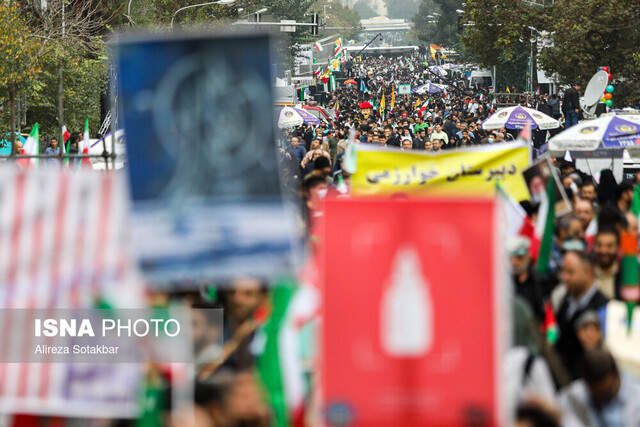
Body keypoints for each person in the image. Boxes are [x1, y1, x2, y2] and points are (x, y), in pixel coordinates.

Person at [555, 250, 609, 379]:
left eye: (571, 272)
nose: (565, 277)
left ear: (588, 272)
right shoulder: (565, 298)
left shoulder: (603, 308)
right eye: (563, 271)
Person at [559, 349, 640, 426]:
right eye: (596, 394)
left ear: (618, 374)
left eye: (607, 392)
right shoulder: (576, 393)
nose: (602, 398)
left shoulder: (636, 395)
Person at [508, 236, 549, 322]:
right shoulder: (503, 283)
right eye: (511, 258)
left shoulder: (540, 281)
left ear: (528, 257)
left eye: (519, 257)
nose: (514, 262)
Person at [592, 228, 621, 300]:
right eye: (599, 245)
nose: (603, 250)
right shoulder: (587, 273)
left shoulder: (625, 274)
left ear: (617, 248)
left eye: (609, 246)